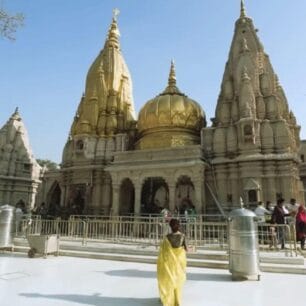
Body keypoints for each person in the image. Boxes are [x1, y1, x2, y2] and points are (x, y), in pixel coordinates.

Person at [157, 219, 187, 306]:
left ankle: (169, 299)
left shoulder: (167, 237)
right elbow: (186, 249)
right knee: (177, 281)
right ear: (179, 226)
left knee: (170, 280)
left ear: (170, 227)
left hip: (169, 263)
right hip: (179, 262)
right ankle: (177, 300)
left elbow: (164, 251)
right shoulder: (182, 236)